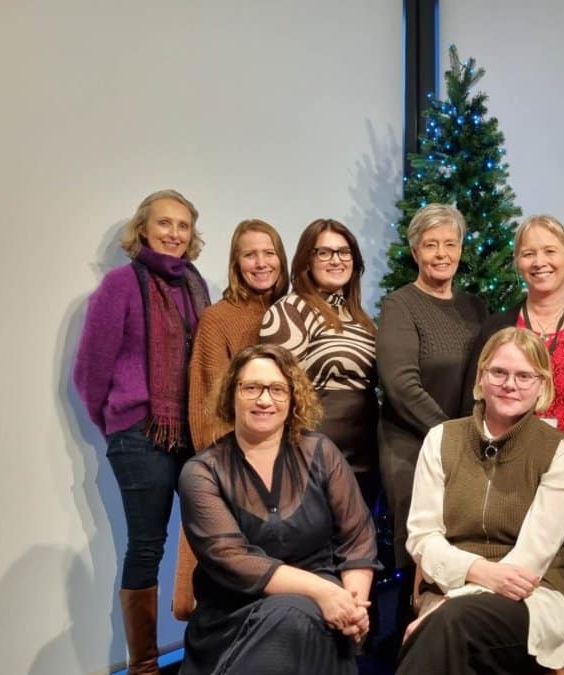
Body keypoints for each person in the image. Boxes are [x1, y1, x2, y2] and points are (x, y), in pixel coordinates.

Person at [462, 214, 564, 672]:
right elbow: (474, 404)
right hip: (509, 478)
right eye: (528, 253)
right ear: (517, 262)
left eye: (550, 251)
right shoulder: (497, 327)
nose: (540, 261)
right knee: (513, 577)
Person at [73, 189, 211, 673]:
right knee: (147, 546)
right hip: (140, 435)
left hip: (191, 432)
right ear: (143, 229)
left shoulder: (195, 284)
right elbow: (89, 373)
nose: (174, 233)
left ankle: (207, 651)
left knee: (209, 540)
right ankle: (145, 666)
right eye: (164, 223)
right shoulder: (120, 285)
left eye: (183, 225)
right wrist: (121, 423)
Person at [178, 344, 380, 675]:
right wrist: (323, 592)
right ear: (231, 394)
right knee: (292, 615)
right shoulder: (202, 472)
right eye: (251, 388)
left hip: (324, 610)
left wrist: (352, 606)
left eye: (277, 389)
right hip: (235, 616)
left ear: (293, 397)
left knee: (300, 617)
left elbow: (357, 538)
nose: (264, 400)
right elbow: (232, 558)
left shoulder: (321, 452)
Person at [398, 327, 564, 674]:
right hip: (448, 591)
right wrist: (477, 572)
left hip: (532, 597)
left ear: (542, 385)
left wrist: (451, 602)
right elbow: (422, 537)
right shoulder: (441, 438)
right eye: (499, 372)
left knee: (450, 625)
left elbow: (529, 561)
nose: (510, 384)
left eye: (524, 376)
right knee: (450, 632)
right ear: (481, 376)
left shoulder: (563, 452)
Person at [376, 204, 487, 626]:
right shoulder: (400, 305)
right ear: (415, 251)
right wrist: (452, 437)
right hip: (414, 448)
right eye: (430, 245)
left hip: (471, 446)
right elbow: (401, 386)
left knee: (466, 550)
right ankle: (409, 643)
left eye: (450, 244)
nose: (442, 254)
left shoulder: (475, 307)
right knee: (421, 557)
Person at [259, 219, 380, 507]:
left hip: (365, 458)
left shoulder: (360, 318)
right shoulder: (291, 311)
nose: (336, 260)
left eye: (344, 252)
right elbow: (278, 389)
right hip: (312, 459)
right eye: (324, 252)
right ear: (307, 261)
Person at [188, 219, 289, 451]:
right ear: (236, 264)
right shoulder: (217, 318)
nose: (261, 263)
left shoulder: (294, 312)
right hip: (240, 454)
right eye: (250, 255)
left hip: (291, 453)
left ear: (281, 260)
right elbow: (208, 405)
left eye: (269, 253)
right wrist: (226, 462)